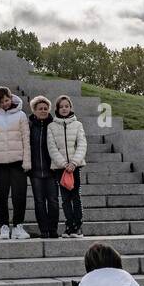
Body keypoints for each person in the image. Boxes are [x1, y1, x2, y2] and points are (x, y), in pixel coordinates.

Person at [0, 86, 31, 241]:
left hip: (18, 161)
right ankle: (3, 226)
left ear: (11, 98)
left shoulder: (21, 115)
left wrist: (27, 161)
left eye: (7, 100)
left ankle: (18, 226)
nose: (5, 104)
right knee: (1, 196)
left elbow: (26, 139)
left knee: (19, 195)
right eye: (1, 101)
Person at [48, 94, 88, 238]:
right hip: (61, 168)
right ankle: (69, 225)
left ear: (71, 107)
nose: (64, 109)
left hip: (75, 167)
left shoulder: (78, 125)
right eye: (61, 107)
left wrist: (74, 163)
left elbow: (82, 144)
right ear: (57, 109)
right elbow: (52, 148)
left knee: (75, 196)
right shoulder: (51, 126)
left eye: (66, 106)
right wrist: (64, 164)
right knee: (65, 198)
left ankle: (77, 227)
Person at [27, 95, 60, 238]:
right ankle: (44, 230)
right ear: (34, 110)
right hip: (35, 172)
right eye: (40, 109)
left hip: (51, 171)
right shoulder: (29, 126)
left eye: (46, 109)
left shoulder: (53, 125)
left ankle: (53, 229)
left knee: (53, 201)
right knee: (39, 202)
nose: (43, 111)